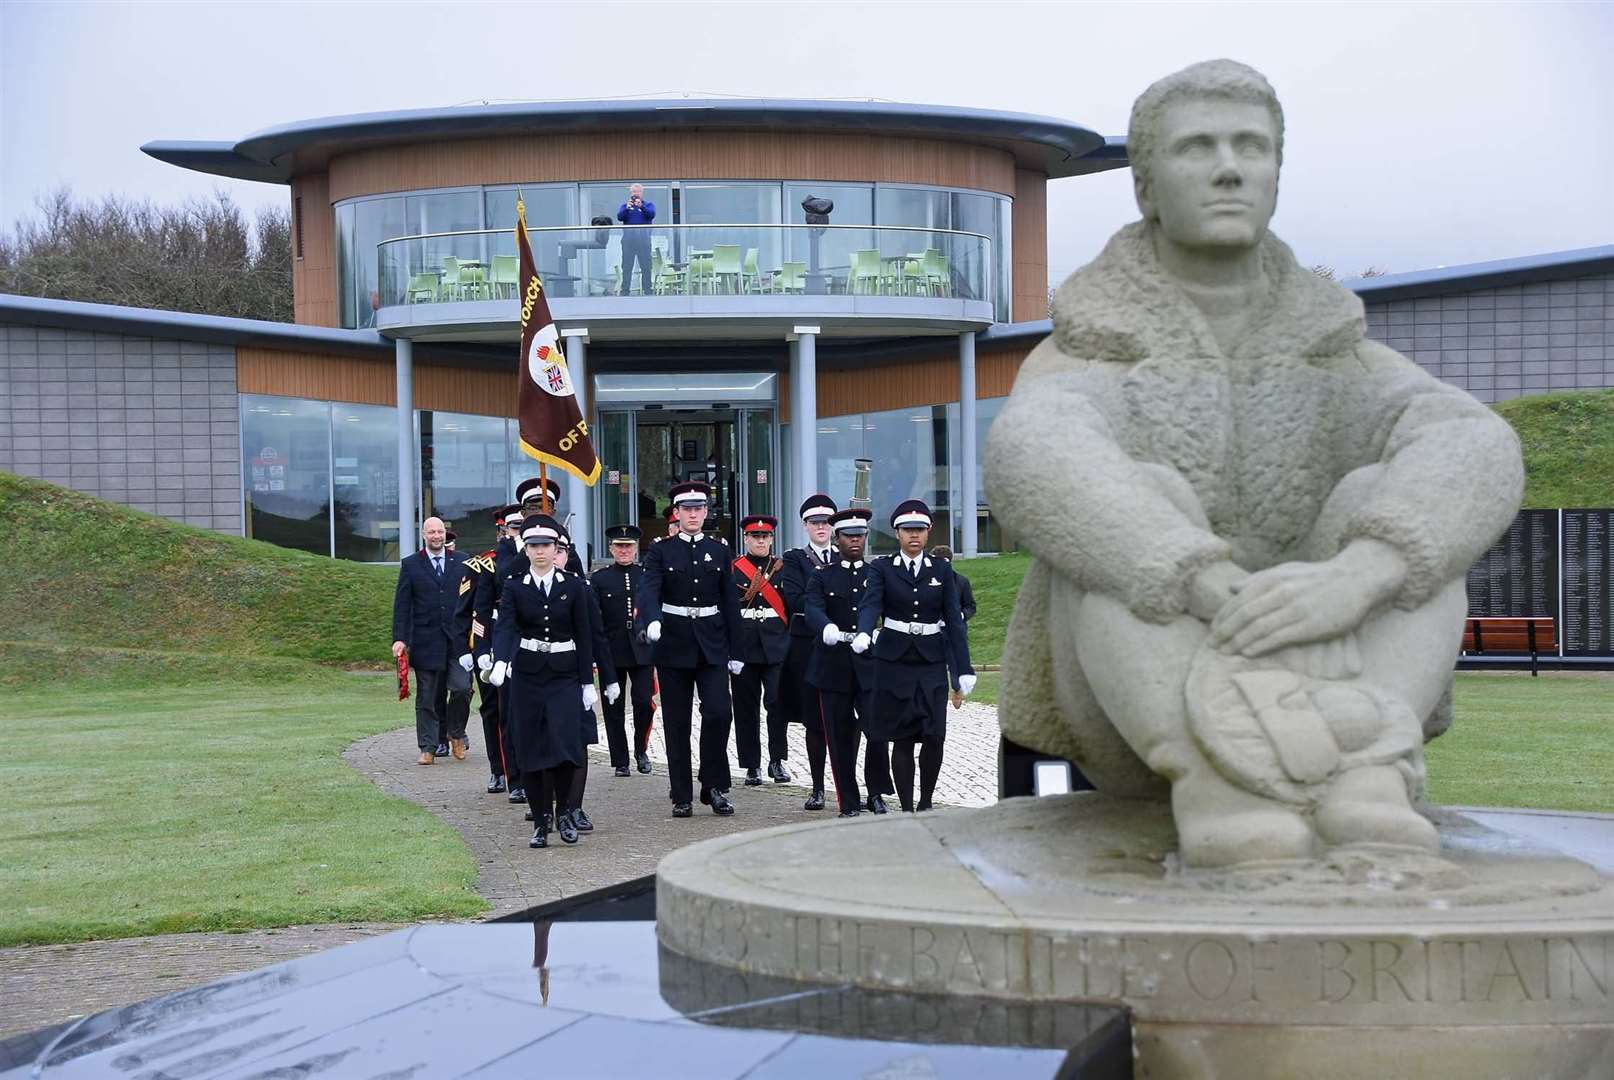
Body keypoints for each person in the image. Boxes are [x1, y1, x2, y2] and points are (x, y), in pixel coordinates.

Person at [984, 60, 1524, 869]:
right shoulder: (1092, 347)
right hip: (1140, 701)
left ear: (1276, 173)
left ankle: (1368, 774)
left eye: (1252, 147)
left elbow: (1472, 442)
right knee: (1133, 507)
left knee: (1405, 513)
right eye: (1197, 147)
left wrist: (1363, 573)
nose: (1230, 166)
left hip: (1335, 676)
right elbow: (1035, 451)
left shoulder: (1336, 353)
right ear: (1145, 187)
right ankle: (1219, 779)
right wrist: (1201, 577)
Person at [855, 499, 974, 811]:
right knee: (903, 736)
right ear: (897, 533)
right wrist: (864, 630)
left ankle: (926, 802)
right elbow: (871, 603)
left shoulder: (942, 570)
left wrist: (963, 669)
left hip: (932, 659)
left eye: (919, 530)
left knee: (934, 734)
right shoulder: (882, 567)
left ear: (928, 532)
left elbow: (954, 621)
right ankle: (907, 808)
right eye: (908, 530)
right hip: (894, 661)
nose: (914, 536)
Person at [637, 481, 744, 817]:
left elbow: (730, 602)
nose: (693, 514)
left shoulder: (720, 550)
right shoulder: (660, 550)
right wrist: (652, 620)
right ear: (677, 513)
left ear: (706, 512)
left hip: (712, 643)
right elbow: (649, 590)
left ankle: (713, 785)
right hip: (673, 643)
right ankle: (680, 793)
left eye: (699, 508)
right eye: (687, 509)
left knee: (718, 713)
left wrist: (737, 649)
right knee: (678, 722)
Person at [489, 514, 596, 848]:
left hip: (564, 674)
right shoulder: (514, 585)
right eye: (533, 545)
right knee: (531, 750)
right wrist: (501, 660)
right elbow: (507, 625)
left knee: (565, 748)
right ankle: (540, 821)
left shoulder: (573, 585)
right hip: (528, 676)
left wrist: (587, 682)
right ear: (525, 547)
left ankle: (564, 811)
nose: (540, 552)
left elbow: (584, 634)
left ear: (555, 548)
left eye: (546, 546)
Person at [804, 508, 892, 816]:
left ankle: (877, 793)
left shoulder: (877, 574)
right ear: (837, 538)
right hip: (833, 662)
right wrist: (825, 626)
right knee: (839, 736)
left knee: (877, 730)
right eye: (848, 536)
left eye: (860, 536)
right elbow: (812, 606)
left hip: (870, 662)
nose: (855, 541)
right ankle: (849, 801)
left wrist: (878, 633)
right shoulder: (822, 575)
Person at [551, 529, 619, 834]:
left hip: (575, 676)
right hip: (535, 675)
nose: (555, 554)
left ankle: (573, 806)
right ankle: (545, 805)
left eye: (562, 549)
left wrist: (609, 678)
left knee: (578, 742)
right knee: (543, 744)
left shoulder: (581, 588)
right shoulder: (521, 585)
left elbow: (597, 637)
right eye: (550, 547)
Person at [392, 516, 472, 765]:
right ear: (424, 535)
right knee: (426, 696)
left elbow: (473, 598)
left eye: (440, 532)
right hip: (426, 641)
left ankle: (456, 733)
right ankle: (428, 746)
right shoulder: (411, 565)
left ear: (445, 534)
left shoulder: (462, 561)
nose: (437, 536)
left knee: (461, 689)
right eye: (432, 532)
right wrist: (400, 638)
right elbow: (402, 605)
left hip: (458, 642)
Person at [776, 493, 837, 805]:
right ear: (805, 525)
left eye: (826, 522)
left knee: (847, 721)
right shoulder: (795, 559)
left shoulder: (846, 556)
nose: (822, 527)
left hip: (841, 648)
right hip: (807, 646)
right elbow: (795, 599)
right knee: (813, 720)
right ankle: (817, 787)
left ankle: (848, 786)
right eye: (815, 522)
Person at [473, 502, 533, 805]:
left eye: (525, 525)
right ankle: (514, 777)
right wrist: (481, 648)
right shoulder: (494, 560)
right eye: (515, 527)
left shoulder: (552, 547)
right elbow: (481, 610)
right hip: (504, 638)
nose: (520, 532)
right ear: (504, 530)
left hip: (539, 638)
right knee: (506, 713)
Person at [455, 505, 516, 792]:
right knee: (492, 707)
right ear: (500, 530)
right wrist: (469, 650)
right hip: (491, 640)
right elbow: (469, 612)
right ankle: (498, 769)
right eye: (509, 528)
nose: (512, 533)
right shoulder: (484, 565)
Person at [729, 515, 790, 787]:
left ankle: (777, 760)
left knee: (778, 704)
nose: (760, 541)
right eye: (755, 536)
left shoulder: (781, 568)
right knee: (745, 708)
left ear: (772, 539)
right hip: (744, 647)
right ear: (746, 539)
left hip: (776, 646)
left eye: (765, 537)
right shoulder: (733, 569)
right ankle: (751, 765)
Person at [592, 524, 657, 776]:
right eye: (619, 546)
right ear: (611, 548)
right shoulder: (599, 578)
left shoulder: (646, 575)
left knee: (643, 701)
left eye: (628, 546)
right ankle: (620, 759)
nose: (624, 550)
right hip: (612, 649)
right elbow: (595, 617)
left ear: (635, 549)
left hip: (641, 649)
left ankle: (640, 749)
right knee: (613, 706)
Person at [616, 183, 656, 297]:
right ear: (631, 193)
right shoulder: (625, 206)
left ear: (642, 193)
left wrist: (641, 207)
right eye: (634, 192)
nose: (636, 194)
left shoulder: (648, 205)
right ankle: (625, 291)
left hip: (643, 240)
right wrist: (627, 209)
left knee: (646, 266)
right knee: (627, 266)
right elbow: (619, 217)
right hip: (628, 240)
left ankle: (647, 290)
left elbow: (652, 215)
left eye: (638, 192)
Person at [929, 545, 976, 621]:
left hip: (953, 628)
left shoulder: (962, 581)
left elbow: (970, 606)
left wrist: (961, 616)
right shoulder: (923, 579)